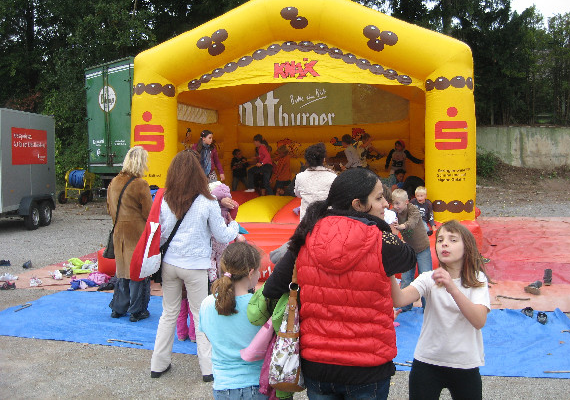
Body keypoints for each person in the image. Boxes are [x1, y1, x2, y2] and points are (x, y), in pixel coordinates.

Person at [263, 168, 416, 399]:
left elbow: (272, 287)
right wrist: (382, 227)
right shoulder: (380, 240)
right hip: (367, 366)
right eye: (378, 198)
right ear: (358, 204)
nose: (386, 203)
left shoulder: (307, 234)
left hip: (318, 365)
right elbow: (409, 258)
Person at [150, 150, 242, 381]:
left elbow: (160, 235)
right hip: (196, 266)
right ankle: (207, 369)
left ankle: (158, 364)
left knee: (168, 313)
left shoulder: (165, 199)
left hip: (169, 264)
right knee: (201, 315)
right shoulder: (208, 202)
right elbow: (222, 235)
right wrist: (235, 226)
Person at [391, 220, 490, 400]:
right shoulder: (429, 278)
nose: (444, 243)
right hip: (427, 361)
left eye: (453, 240)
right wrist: (389, 267)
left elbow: (479, 320)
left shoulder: (477, 279)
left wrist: (452, 287)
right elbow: (399, 299)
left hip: (465, 363)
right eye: (440, 240)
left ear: (467, 247)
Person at [199, 241, 267, 399]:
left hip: (223, 386)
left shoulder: (207, 304)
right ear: (251, 273)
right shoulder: (259, 306)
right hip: (256, 384)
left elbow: (209, 338)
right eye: (258, 270)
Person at [107, 146, 153, 322]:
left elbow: (109, 209)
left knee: (122, 271)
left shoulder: (113, 182)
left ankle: (118, 308)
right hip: (137, 232)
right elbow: (149, 214)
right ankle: (137, 310)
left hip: (119, 231)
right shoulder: (140, 184)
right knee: (138, 272)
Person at [391, 188, 432, 312]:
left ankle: (428, 306)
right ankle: (405, 306)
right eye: (393, 203)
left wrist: (401, 226)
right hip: (408, 249)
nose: (395, 206)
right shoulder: (394, 212)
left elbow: (412, 222)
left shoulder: (413, 209)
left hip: (422, 247)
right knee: (406, 277)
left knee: (425, 276)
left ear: (406, 202)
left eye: (398, 203)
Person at [293, 142, 337, 221]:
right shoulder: (333, 176)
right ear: (323, 160)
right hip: (326, 218)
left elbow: (298, 194)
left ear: (307, 160)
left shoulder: (300, 177)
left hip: (306, 220)